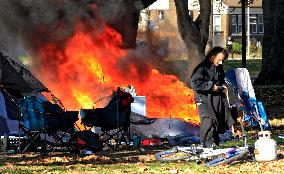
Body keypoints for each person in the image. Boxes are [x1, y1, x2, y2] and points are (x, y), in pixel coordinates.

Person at [191, 47, 235, 148]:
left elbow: (221, 79)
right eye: (219, 60)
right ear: (212, 56)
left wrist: (223, 85)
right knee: (208, 123)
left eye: (222, 60)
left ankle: (214, 146)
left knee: (216, 123)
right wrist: (211, 87)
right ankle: (206, 147)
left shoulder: (219, 68)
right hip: (204, 100)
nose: (221, 63)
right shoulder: (201, 68)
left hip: (216, 100)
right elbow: (195, 83)